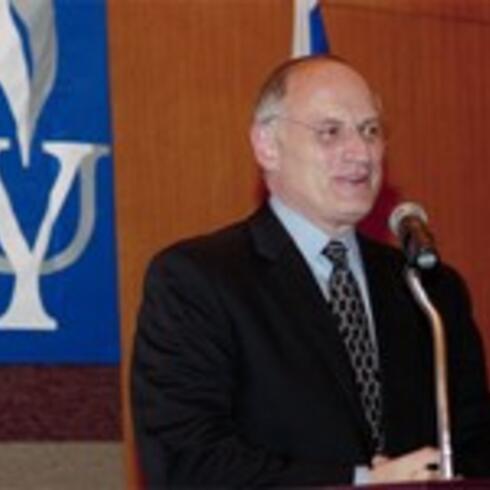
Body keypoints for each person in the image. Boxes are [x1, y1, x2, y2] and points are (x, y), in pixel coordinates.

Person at [131, 55, 490, 487]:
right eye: (330, 132)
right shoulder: (197, 281)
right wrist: (362, 483)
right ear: (267, 145)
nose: (361, 153)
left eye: (370, 131)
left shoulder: (430, 290)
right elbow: (189, 462)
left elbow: (475, 447)